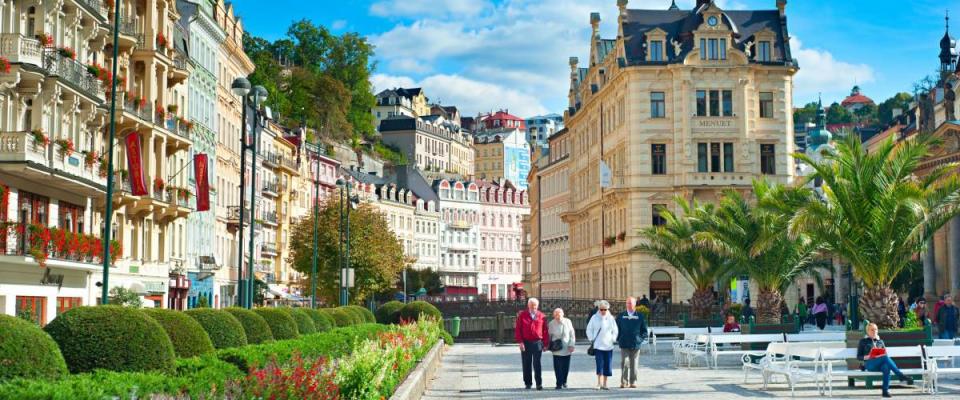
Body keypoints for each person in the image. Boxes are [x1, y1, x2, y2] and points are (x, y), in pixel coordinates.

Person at [856, 322, 913, 398]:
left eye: (875, 329)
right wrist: (868, 356)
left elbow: (884, 353)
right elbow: (859, 356)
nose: (874, 331)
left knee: (886, 367)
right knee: (885, 357)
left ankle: (885, 391)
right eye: (872, 330)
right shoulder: (863, 341)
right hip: (869, 364)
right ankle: (900, 375)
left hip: (880, 364)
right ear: (868, 331)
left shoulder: (880, 341)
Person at [514, 297, 549, 390]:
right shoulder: (522, 315)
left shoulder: (542, 316)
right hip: (526, 342)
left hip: (537, 342)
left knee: (537, 364)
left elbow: (545, 330)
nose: (533, 308)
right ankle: (528, 383)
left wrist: (545, 344)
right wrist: (520, 342)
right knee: (526, 363)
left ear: (537, 306)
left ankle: (539, 384)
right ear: (528, 306)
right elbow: (518, 329)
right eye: (531, 306)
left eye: (535, 306)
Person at [615, 297, 647, 389]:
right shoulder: (621, 316)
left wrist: (639, 340)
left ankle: (633, 382)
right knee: (624, 362)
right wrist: (619, 338)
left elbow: (644, 331)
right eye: (627, 303)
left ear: (635, 304)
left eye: (630, 303)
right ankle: (624, 382)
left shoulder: (640, 316)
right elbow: (616, 329)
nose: (628, 305)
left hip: (635, 344)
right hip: (624, 343)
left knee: (634, 363)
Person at [586, 300, 618, 391]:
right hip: (598, 345)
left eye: (605, 309)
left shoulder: (611, 318)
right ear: (599, 309)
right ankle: (599, 383)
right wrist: (591, 338)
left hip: (608, 345)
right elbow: (589, 329)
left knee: (607, 365)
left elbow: (615, 330)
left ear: (607, 309)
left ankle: (605, 383)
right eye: (601, 309)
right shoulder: (594, 317)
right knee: (599, 364)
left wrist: (613, 339)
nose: (603, 311)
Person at [548, 308, 575, 390]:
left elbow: (572, 334)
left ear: (563, 314)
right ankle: (559, 383)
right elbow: (549, 335)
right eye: (556, 314)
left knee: (565, 367)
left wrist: (572, 345)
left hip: (567, 347)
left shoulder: (568, 321)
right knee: (557, 367)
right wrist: (548, 345)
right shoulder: (551, 323)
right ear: (553, 315)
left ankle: (564, 381)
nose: (557, 316)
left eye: (559, 314)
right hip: (556, 348)